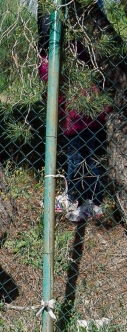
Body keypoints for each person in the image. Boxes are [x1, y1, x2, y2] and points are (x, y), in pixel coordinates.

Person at [39, 41, 112, 223]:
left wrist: (44, 62)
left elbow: (49, 77)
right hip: (85, 116)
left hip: (79, 117)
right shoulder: (80, 49)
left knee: (78, 159)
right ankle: (82, 199)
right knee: (83, 158)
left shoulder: (67, 52)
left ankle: (83, 200)